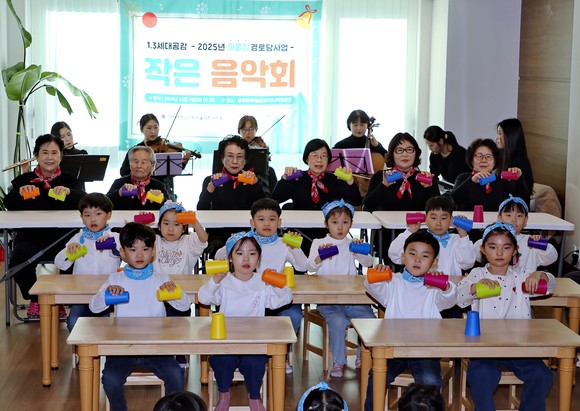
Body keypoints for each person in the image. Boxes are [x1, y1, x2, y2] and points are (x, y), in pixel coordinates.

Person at [89, 222, 191, 411]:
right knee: (110, 379)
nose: (140, 255)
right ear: (122, 252)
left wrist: (174, 291)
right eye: (133, 249)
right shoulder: (116, 279)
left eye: (145, 249)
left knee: (176, 374)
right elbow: (94, 307)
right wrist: (107, 293)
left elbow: (185, 306)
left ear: (153, 252)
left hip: (156, 348)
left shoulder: (161, 279)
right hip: (122, 348)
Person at [456, 222, 555, 411]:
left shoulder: (522, 275)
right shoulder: (477, 274)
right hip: (485, 348)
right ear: (483, 250)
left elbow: (550, 286)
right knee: (481, 374)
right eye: (493, 247)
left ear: (515, 251)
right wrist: (474, 287)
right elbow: (459, 297)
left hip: (519, 347)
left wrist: (540, 274)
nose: (499, 253)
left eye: (506, 247)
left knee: (542, 375)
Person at [198, 231, 293, 411]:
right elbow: (203, 298)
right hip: (227, 342)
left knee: (254, 363)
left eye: (252, 253)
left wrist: (277, 284)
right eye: (240, 253)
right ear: (230, 258)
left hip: (254, 343)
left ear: (259, 259)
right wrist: (215, 281)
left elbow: (286, 298)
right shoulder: (224, 282)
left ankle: (254, 396)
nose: (246, 258)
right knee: (222, 361)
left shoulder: (262, 283)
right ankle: (224, 394)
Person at [363, 231, 457, 411]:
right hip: (392, 349)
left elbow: (451, 298)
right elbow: (372, 287)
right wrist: (377, 273)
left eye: (425, 256)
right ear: (403, 256)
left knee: (430, 380)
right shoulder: (393, 283)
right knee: (377, 376)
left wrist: (444, 285)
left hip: (425, 351)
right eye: (412, 253)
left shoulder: (434, 288)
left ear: (434, 262)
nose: (417, 260)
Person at [214, 198, 308, 373]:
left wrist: (295, 247)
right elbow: (220, 255)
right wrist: (230, 248)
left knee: (294, 315)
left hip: (275, 298)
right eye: (261, 219)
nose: (266, 224)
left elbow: (303, 267)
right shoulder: (245, 242)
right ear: (252, 222)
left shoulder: (284, 244)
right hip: (248, 300)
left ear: (279, 223)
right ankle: (243, 353)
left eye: (272, 219)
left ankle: (280, 353)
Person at [4, 134, 86, 319]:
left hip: (64, 236)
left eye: (54, 153)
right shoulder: (24, 179)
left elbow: (84, 202)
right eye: (44, 152)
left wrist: (70, 192)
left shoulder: (70, 180)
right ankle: (36, 299)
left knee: (77, 258)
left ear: (61, 157)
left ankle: (61, 298)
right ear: (36, 156)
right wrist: (19, 193)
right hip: (30, 236)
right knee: (17, 261)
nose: (49, 157)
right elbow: (9, 203)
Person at [307, 200, 376, 378]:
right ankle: (339, 361)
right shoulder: (319, 242)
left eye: (345, 222)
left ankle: (362, 356)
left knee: (368, 317)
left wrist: (360, 251)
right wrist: (320, 257)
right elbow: (310, 268)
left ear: (351, 224)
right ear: (326, 224)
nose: (340, 227)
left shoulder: (351, 244)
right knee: (337, 320)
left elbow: (369, 263)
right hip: (328, 300)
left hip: (352, 299)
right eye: (334, 222)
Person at [272, 138, 362, 254]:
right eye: (314, 155)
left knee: (330, 261)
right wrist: (284, 179)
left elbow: (356, 202)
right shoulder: (297, 178)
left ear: (328, 160)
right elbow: (275, 199)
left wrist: (350, 182)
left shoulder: (336, 179)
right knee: (299, 260)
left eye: (323, 156)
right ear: (307, 158)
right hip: (300, 234)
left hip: (329, 235)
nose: (319, 159)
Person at [54, 193, 120, 331]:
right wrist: (69, 252)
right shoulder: (77, 239)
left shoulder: (115, 237)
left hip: (108, 293)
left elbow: (127, 256)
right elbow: (59, 264)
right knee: (74, 324)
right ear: (82, 218)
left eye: (98, 214)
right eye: (87, 215)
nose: (93, 219)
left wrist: (113, 247)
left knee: (105, 327)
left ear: (108, 215)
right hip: (82, 295)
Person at [197, 135, 265, 257]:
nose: (234, 161)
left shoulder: (252, 180)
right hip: (218, 237)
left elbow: (263, 211)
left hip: (248, 235)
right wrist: (210, 189)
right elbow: (201, 211)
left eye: (239, 157)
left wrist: (256, 185)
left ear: (245, 160)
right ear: (222, 158)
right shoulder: (211, 180)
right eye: (230, 156)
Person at [388, 196, 476, 277]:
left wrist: (462, 233)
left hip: (450, 285)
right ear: (426, 219)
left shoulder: (457, 240)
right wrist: (410, 231)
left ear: (451, 220)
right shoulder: (419, 239)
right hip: (423, 287)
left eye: (444, 218)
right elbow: (394, 255)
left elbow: (467, 263)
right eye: (433, 218)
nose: (438, 223)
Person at [473, 195, 558, 271]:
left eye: (519, 216)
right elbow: (475, 255)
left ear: (526, 220)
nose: (514, 220)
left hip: (525, 283)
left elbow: (552, 258)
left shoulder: (530, 242)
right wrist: (487, 240)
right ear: (499, 218)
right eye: (508, 215)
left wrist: (541, 245)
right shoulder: (493, 238)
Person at [154, 201, 208, 317]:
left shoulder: (188, 242)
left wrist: (194, 221)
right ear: (159, 226)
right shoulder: (154, 241)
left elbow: (203, 239)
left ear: (184, 228)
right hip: (157, 296)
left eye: (176, 224)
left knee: (180, 326)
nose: (170, 229)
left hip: (181, 297)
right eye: (166, 223)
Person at [120, 113, 192, 200]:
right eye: (149, 128)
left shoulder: (164, 148)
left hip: (161, 190)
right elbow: (123, 172)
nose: (153, 131)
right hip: (139, 191)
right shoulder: (136, 150)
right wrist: (141, 168)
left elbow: (171, 173)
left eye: (155, 127)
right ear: (141, 129)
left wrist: (185, 160)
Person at [364, 132, 439, 212]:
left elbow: (439, 209)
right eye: (399, 150)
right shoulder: (381, 176)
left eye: (409, 150)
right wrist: (383, 185)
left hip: (417, 220)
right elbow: (368, 206)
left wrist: (430, 188)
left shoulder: (425, 178)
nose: (405, 154)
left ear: (416, 153)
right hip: (387, 220)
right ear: (392, 154)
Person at [451, 138, 530, 211]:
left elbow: (523, 201)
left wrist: (519, 179)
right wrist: (471, 181)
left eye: (488, 157)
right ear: (471, 160)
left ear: (495, 161)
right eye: (479, 156)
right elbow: (455, 199)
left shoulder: (500, 181)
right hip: (468, 221)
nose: (484, 160)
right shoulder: (463, 177)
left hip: (493, 221)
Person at [107, 146, 169, 210]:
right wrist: (118, 193)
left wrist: (162, 200)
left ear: (152, 166)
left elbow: (170, 208)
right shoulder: (119, 183)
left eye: (143, 162)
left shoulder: (159, 186)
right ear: (130, 164)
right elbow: (103, 205)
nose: (139, 166)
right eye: (135, 162)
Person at [237, 115, 278, 197]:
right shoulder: (235, 145)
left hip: (259, 175)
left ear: (256, 129)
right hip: (240, 174)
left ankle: (268, 198)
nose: (247, 133)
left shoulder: (261, 146)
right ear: (239, 131)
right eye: (244, 129)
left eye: (251, 129)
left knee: (270, 172)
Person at [496, 118, 534, 193]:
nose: (497, 138)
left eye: (500, 133)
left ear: (510, 136)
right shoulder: (502, 155)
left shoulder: (517, 164)